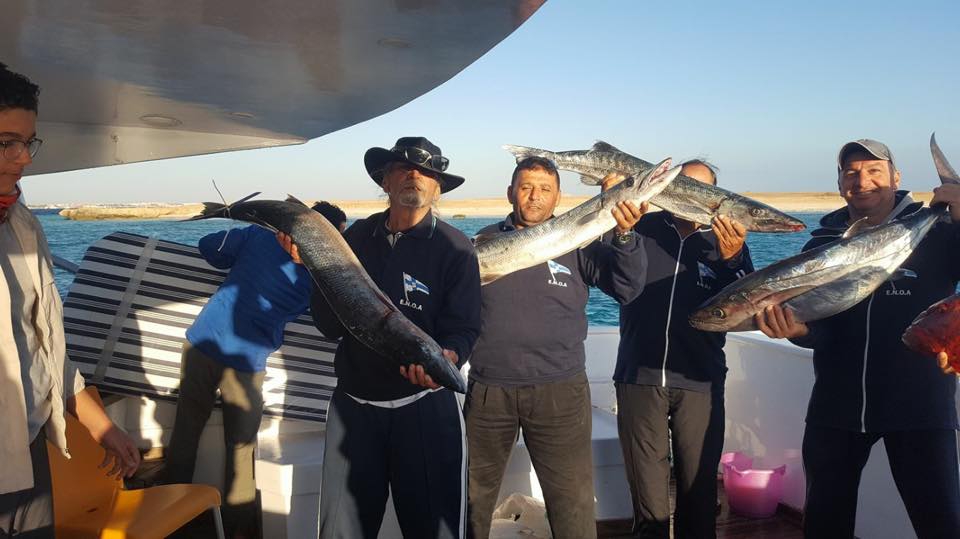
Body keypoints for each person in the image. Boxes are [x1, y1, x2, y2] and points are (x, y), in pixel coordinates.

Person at [756, 139, 960, 538]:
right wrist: (799, 331)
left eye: (874, 171)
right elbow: (822, 327)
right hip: (837, 406)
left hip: (920, 406)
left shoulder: (938, 232)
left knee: (940, 524)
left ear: (896, 178)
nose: (861, 181)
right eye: (851, 172)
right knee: (824, 523)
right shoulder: (821, 245)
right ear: (839, 183)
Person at [282, 136, 481, 538]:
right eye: (402, 168)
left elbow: (464, 327)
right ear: (384, 181)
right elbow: (330, 326)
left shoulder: (456, 248)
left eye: (426, 173)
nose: (414, 176)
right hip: (354, 410)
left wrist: (450, 357)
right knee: (341, 532)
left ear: (437, 189)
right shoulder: (355, 239)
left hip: (425, 410)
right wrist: (312, 266)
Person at [465, 156, 647, 539]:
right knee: (472, 499)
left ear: (558, 197)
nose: (535, 196)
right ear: (510, 192)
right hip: (489, 390)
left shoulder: (579, 241)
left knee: (572, 503)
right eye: (526, 187)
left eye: (545, 189)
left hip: (560, 391)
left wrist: (625, 236)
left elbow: (627, 288)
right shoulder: (481, 241)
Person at [0, 62, 141, 538]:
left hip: (27, 451)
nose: (24, 158)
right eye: (6, 142)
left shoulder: (22, 226)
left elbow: (43, 349)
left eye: (28, 142)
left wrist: (103, 427)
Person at [162, 198, 346, 536]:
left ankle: (168, 519)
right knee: (241, 450)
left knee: (185, 433)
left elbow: (208, 247)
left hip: (203, 342)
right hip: (247, 363)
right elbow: (330, 320)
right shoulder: (319, 278)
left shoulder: (259, 236)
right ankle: (239, 531)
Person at [613, 160, 753, 538]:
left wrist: (734, 259)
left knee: (699, 489)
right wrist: (621, 232)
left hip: (700, 379)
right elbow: (613, 277)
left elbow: (749, 302)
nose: (692, 194)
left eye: (702, 188)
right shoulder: (640, 226)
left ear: (716, 196)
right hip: (639, 376)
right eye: (684, 184)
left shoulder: (726, 241)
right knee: (647, 494)